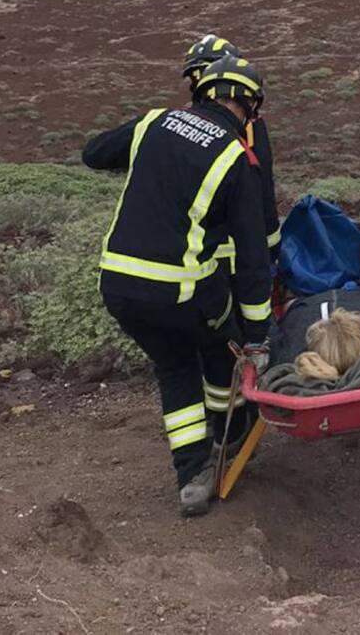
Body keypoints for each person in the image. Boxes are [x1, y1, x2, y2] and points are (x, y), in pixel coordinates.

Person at [83, 56, 273, 517]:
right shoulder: (235, 156)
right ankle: (229, 438)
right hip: (181, 290)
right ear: (248, 105)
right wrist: (258, 334)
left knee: (173, 366)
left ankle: (192, 476)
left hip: (120, 285)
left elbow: (94, 153)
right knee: (222, 351)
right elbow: (252, 255)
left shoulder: (154, 123)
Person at [182, 35, 281, 260]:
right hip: (234, 248)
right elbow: (262, 184)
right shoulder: (249, 125)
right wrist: (271, 241)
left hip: (188, 247)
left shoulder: (179, 121)